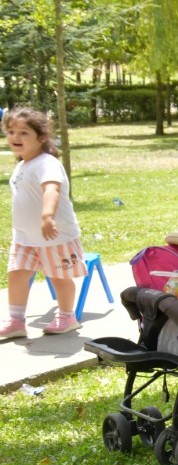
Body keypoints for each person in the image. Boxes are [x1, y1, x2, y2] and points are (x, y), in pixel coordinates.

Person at [3, 108, 85, 339]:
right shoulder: (22, 164)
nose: (15, 137)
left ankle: (68, 316)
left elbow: (51, 189)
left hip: (54, 235)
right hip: (25, 237)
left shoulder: (45, 162)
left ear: (41, 138)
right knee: (17, 273)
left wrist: (47, 216)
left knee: (59, 277)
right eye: (11, 132)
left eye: (23, 133)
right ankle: (16, 320)